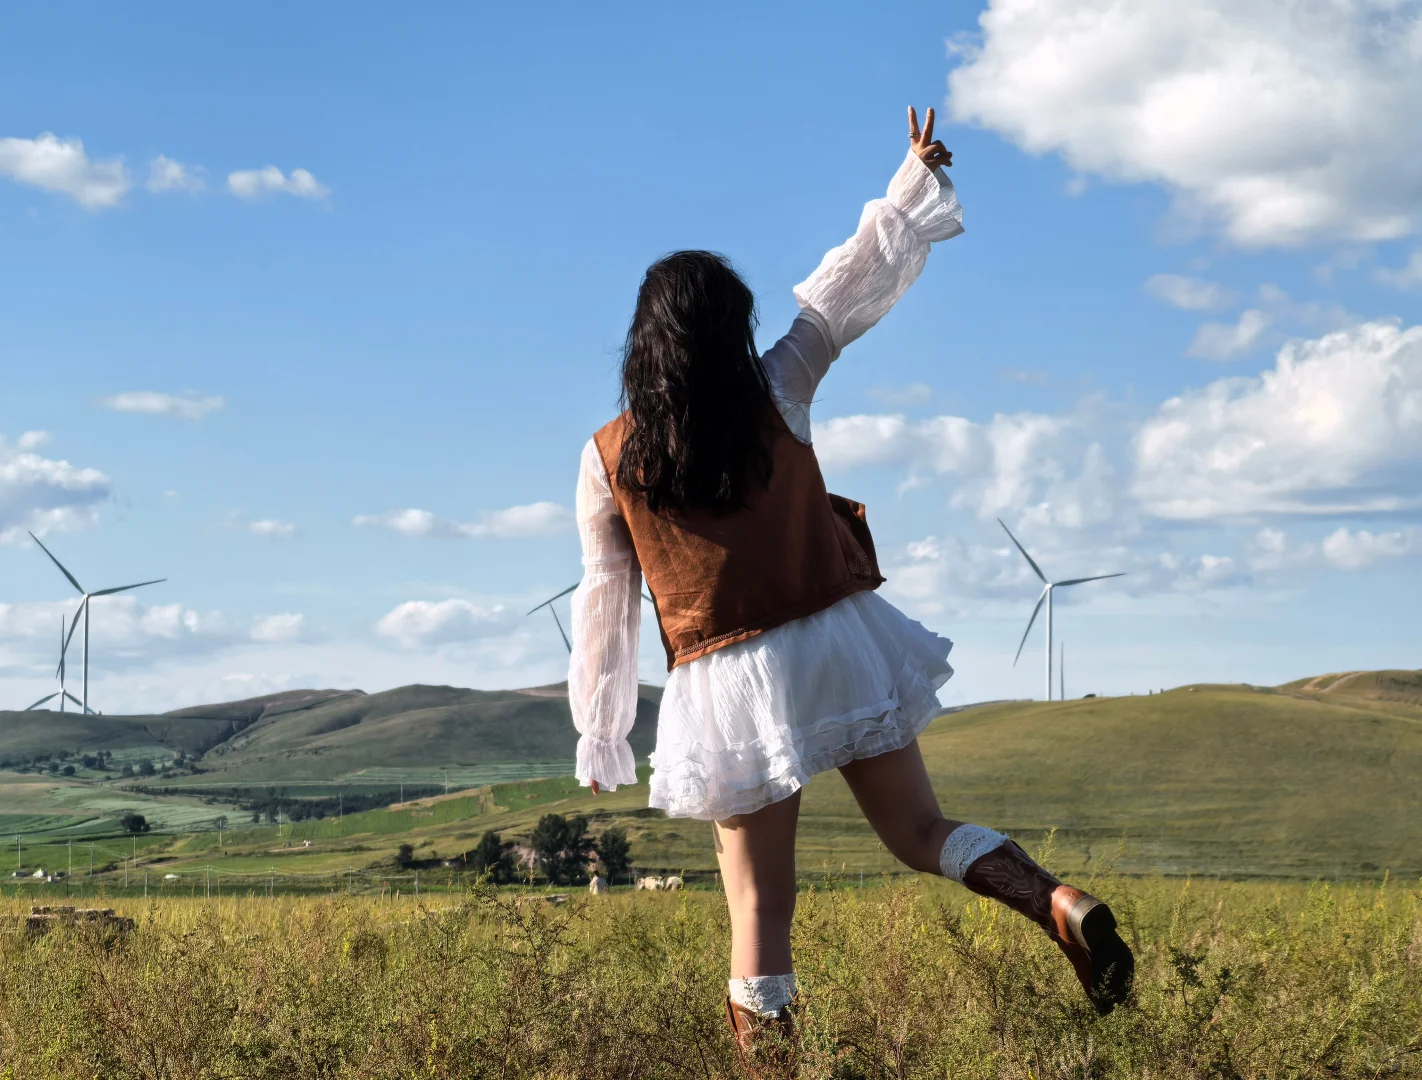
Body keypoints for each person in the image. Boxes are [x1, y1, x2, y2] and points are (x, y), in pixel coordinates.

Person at [568, 106, 1133, 1068]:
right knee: (920, 830)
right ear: (728, 328)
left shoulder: (605, 457)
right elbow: (844, 290)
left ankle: (776, 1066)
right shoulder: (779, 384)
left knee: (758, 904)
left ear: (645, 342)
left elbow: (605, 603)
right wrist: (909, 181)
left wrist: (604, 727)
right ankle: (1058, 904)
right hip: (837, 637)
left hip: (727, 674)